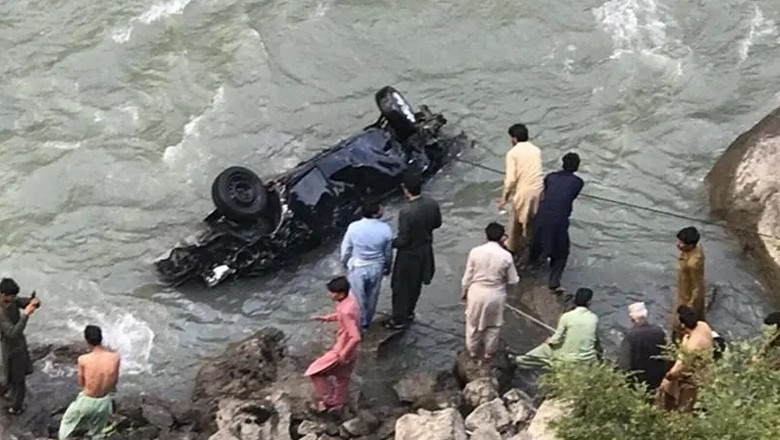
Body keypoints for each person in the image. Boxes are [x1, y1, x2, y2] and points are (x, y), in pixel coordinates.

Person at [385, 171, 442, 330]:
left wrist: (388, 243)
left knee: (400, 286)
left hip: (408, 254)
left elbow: (403, 240)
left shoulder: (406, 211)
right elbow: (438, 224)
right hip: (425, 250)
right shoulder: (432, 203)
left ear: (405, 189)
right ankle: (409, 312)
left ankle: (398, 319)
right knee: (415, 285)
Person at [461, 222, 520, 361]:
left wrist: (464, 293)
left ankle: (473, 352)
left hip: (476, 293)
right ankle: (488, 353)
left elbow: (467, 278)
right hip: (496, 294)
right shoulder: (506, 256)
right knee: (493, 325)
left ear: (486, 235)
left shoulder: (475, 252)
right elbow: (513, 280)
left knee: (473, 324)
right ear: (502, 238)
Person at [528, 152, 584, 294]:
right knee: (561, 253)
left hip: (540, 217)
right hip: (559, 220)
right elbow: (570, 195)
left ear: (562, 163)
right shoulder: (578, 182)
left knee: (536, 243)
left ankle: (532, 265)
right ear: (577, 167)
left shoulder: (550, 177)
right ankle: (554, 282)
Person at [305, 276, 361, 414]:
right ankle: (339, 403)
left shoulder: (346, 311)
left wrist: (343, 353)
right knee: (343, 377)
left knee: (315, 372)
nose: (329, 294)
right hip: (353, 351)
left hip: (342, 349)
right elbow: (342, 315)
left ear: (340, 294)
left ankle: (328, 401)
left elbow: (356, 336)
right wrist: (327, 318)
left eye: (332, 292)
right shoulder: (350, 301)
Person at [58, 325, 121, 439]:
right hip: (104, 402)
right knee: (97, 433)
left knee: (66, 427)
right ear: (101, 338)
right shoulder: (115, 357)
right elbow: (114, 381)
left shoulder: (83, 359)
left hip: (87, 401)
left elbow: (81, 383)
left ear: (87, 340)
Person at [514, 288, 600, 370]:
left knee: (545, 349)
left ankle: (519, 361)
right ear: (589, 302)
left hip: (568, 359)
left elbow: (557, 339)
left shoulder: (566, 317)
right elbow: (594, 339)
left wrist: (549, 341)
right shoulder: (594, 318)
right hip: (588, 360)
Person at [340, 197, 393, 329]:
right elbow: (388, 253)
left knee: (357, 298)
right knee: (372, 297)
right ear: (375, 213)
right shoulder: (386, 229)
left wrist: (344, 262)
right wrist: (388, 267)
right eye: (381, 207)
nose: (383, 209)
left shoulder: (353, 227)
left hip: (358, 266)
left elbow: (346, 249)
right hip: (376, 267)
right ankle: (366, 322)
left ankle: (356, 323)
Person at [497, 123, 544, 259]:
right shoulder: (536, 150)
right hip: (539, 190)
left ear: (514, 138)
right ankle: (532, 245)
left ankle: (512, 247)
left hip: (524, 192)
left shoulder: (512, 153)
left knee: (515, 222)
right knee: (531, 221)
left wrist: (504, 199)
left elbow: (511, 179)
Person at [655, 305, 714, 412]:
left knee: (684, 407)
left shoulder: (692, 347)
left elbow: (680, 367)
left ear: (684, 325)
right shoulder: (703, 326)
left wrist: (668, 376)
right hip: (707, 372)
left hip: (693, 380)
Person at [0, 278, 40, 415]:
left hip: (15, 345)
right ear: (2, 294)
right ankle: (16, 407)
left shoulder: (12, 300)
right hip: (9, 346)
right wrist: (25, 315)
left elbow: (25, 302)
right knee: (18, 380)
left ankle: (8, 393)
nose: (14, 299)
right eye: (11, 296)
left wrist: (34, 302)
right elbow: (13, 332)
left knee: (10, 376)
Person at [617, 302, 669, 393]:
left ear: (632, 318)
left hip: (638, 382)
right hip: (657, 378)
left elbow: (624, 364)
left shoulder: (630, 336)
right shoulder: (659, 331)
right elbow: (666, 354)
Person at [672, 226, 706, 342]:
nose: (678, 245)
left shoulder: (693, 263)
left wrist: (689, 307)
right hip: (683, 288)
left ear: (690, 245)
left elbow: (697, 286)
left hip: (686, 296)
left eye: (682, 243)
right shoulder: (696, 248)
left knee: (679, 325)